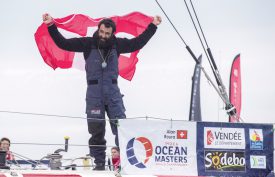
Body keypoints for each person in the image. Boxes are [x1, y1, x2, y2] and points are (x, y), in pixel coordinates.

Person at [42, 13, 162, 170]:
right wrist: (51, 25)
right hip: (94, 94)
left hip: (113, 93)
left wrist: (153, 26)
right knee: (96, 132)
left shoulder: (118, 44)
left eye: (107, 33)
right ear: (98, 29)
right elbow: (63, 43)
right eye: (102, 32)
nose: (104, 36)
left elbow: (137, 43)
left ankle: (126, 163)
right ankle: (99, 165)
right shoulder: (87, 43)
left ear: (112, 33)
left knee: (121, 129)